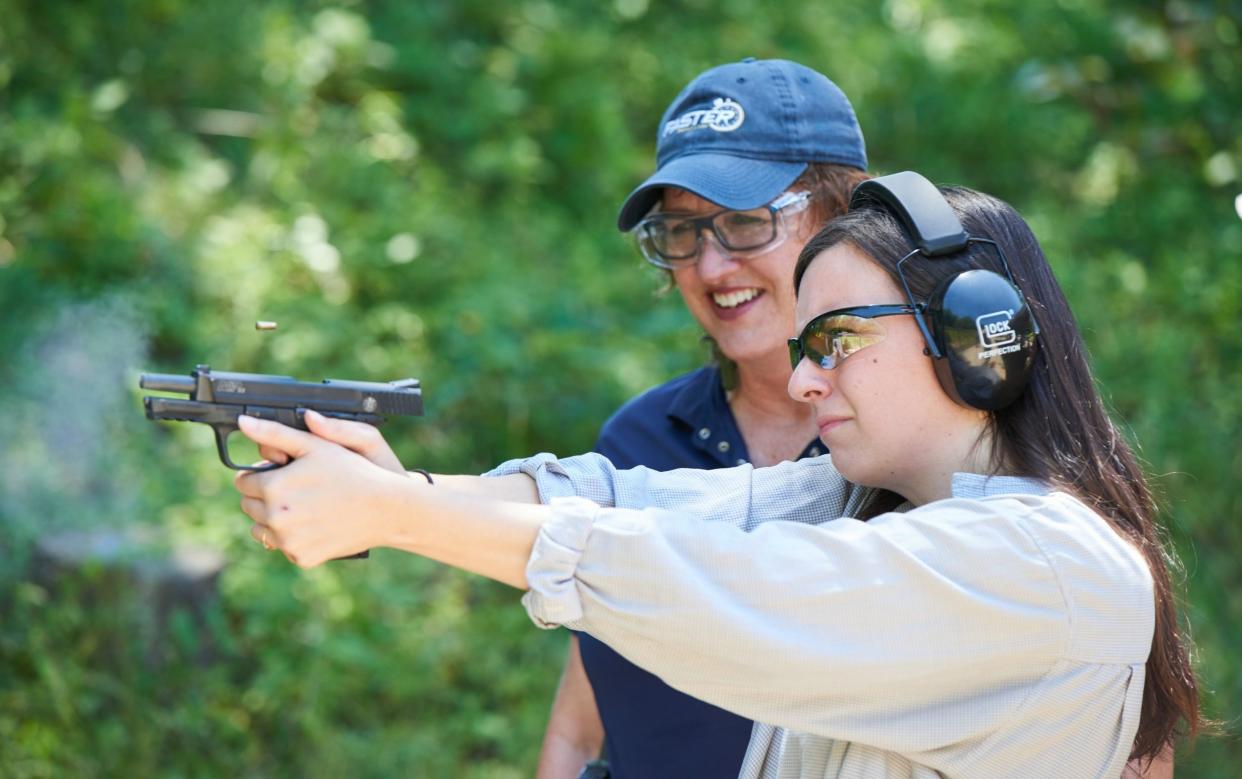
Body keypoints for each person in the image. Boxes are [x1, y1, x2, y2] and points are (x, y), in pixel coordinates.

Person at [232, 174, 1201, 777]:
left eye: (838, 337)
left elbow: (723, 593)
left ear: (975, 337)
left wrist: (397, 513)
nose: (806, 372)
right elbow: (626, 498)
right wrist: (412, 494)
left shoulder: (1051, 568)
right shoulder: (869, 504)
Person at [538, 57, 870, 779]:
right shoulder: (636, 445)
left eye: (747, 222)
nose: (711, 267)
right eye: (682, 232)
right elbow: (577, 725)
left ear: (841, 216)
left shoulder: (915, 444)